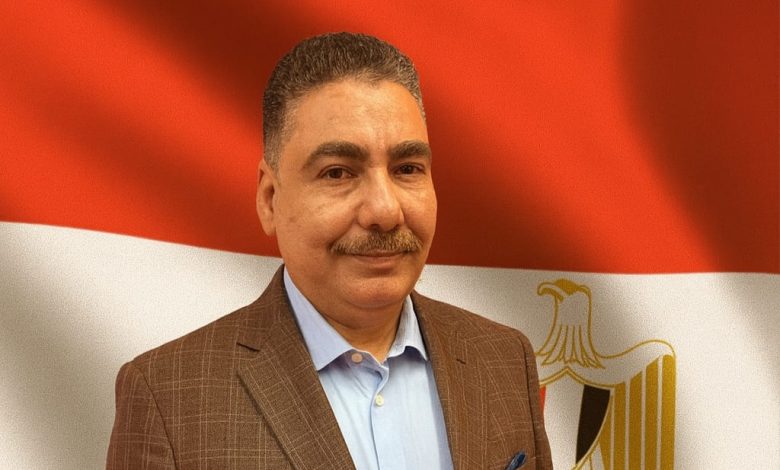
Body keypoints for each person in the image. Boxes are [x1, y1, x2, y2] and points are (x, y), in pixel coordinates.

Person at [107, 32, 552, 470]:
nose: (385, 210)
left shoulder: (503, 358)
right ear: (270, 199)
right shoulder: (169, 399)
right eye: (338, 173)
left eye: (407, 169)